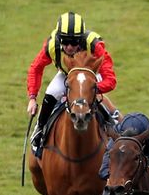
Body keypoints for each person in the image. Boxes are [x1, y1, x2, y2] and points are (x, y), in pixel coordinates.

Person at [25, 11, 118, 153]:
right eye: (65, 41)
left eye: (74, 42)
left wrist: (89, 89)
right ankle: (39, 129)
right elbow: (36, 68)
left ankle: (113, 124)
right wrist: (32, 97)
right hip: (67, 75)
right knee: (51, 93)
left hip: (89, 76)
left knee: (94, 99)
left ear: (81, 40)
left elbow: (110, 80)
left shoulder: (94, 45)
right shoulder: (52, 45)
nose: (69, 47)